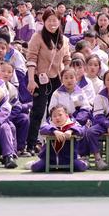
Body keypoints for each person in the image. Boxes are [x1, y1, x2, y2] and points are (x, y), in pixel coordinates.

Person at [25, 9, 70, 152]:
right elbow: (31, 59)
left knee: (56, 112)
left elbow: (67, 59)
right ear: (43, 22)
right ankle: (31, 144)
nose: (52, 23)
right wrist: (31, 80)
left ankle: (54, 144)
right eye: (49, 20)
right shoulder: (37, 37)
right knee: (38, 112)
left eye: (55, 20)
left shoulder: (64, 40)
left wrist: (66, 76)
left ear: (59, 21)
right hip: (40, 79)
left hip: (57, 80)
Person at [30, 105, 86, 172]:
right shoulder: (49, 124)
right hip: (49, 159)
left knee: (81, 167)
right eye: (54, 116)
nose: (57, 118)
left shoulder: (73, 123)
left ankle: (83, 162)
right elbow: (42, 129)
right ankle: (35, 163)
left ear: (66, 115)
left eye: (60, 115)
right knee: (36, 167)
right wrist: (54, 131)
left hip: (69, 159)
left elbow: (81, 130)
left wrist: (71, 130)